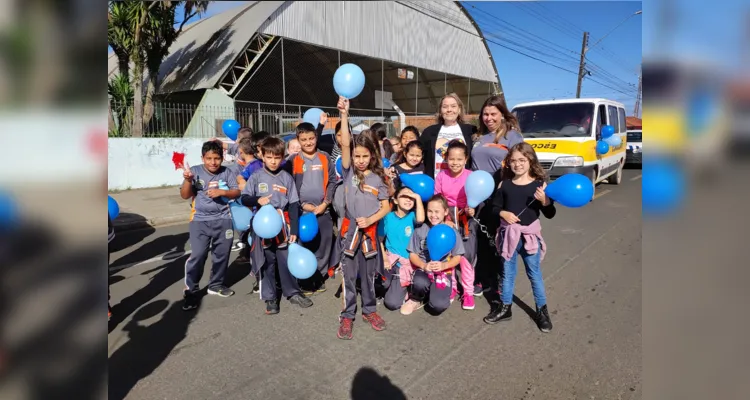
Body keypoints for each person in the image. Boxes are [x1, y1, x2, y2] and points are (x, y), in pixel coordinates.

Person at [335, 96, 391, 340]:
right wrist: (344, 114)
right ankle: (347, 315)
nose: (359, 160)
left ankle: (369, 310)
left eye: (364, 156)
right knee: (348, 276)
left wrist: (371, 220)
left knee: (368, 275)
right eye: (356, 156)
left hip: (368, 233)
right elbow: (345, 145)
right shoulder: (348, 171)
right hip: (349, 233)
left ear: (372, 156)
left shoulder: (378, 178)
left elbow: (387, 206)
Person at [484, 142, 555, 333]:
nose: (517, 164)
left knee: (535, 275)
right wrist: (503, 214)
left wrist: (545, 201)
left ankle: (542, 311)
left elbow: (550, 213)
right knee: (507, 274)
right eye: (513, 161)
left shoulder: (540, 185)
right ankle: (505, 308)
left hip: (529, 238)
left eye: (522, 160)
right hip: (509, 237)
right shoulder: (504, 184)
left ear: (530, 161)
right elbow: (494, 208)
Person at [240, 137, 313, 315]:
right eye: (269, 157)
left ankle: (293, 292)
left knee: (285, 259)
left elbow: (294, 204)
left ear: (282, 157)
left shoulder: (286, 178)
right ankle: (270, 297)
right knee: (267, 261)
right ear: (262, 156)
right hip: (262, 227)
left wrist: (294, 229)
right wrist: (258, 199)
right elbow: (244, 198)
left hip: (282, 225)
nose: (273, 161)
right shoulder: (256, 176)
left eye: (277, 157)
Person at [470, 95, 524, 299]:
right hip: (478, 197)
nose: (489, 118)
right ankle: (484, 278)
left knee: (502, 243)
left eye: (493, 113)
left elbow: (522, 164)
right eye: (485, 114)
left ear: (502, 114)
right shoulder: (478, 138)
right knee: (482, 240)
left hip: (502, 197)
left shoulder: (513, 137)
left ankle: (502, 281)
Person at [180, 141, 242, 311]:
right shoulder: (194, 171)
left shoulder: (227, 172)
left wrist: (223, 192)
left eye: (216, 158)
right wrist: (187, 181)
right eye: (209, 158)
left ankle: (216, 284)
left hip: (223, 219)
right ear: (203, 158)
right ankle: (191, 290)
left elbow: (236, 191)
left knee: (221, 254)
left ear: (222, 158)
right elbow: (185, 195)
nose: (213, 162)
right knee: (198, 255)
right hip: (199, 220)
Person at [288, 122, 336, 295]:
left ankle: (319, 276)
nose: (308, 142)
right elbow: (290, 186)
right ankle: (305, 278)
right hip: (302, 212)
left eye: (311, 138)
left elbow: (332, 181)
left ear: (316, 137)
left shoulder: (324, 157)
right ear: (298, 140)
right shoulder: (293, 160)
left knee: (324, 244)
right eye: (304, 140)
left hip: (323, 210)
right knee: (305, 243)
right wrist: (302, 204)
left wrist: (326, 203)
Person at [400, 195, 464, 316]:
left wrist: (444, 265)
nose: (433, 215)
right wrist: (423, 266)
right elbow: (412, 254)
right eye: (429, 211)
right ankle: (416, 298)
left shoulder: (452, 232)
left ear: (445, 212)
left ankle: (437, 294)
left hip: (444, 272)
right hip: (423, 270)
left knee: (438, 306)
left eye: (437, 211)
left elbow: (457, 257)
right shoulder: (420, 230)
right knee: (419, 282)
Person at [434, 140, 477, 310]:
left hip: (466, 220)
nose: (455, 163)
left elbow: (476, 197)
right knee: (449, 256)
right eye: (451, 159)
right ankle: (451, 288)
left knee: (466, 259)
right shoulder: (441, 176)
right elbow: (438, 200)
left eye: (459, 159)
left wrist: (473, 209)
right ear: (446, 159)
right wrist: (445, 219)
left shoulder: (471, 176)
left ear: (465, 159)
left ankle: (468, 293)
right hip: (447, 220)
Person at [379, 186, 425, 311]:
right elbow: (380, 241)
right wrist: (384, 259)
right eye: (404, 196)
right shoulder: (387, 217)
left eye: (411, 197)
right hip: (390, 259)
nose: (409, 199)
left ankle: (406, 290)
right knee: (383, 282)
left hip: (407, 263)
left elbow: (421, 219)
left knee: (392, 304)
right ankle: (390, 286)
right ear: (395, 200)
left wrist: (418, 197)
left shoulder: (413, 216)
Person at [419, 93, 477, 179]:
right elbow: (415, 152)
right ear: (440, 110)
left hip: (463, 185)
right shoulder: (429, 132)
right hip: (436, 184)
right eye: (445, 107)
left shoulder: (470, 130)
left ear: (459, 109)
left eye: (453, 106)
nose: (449, 110)